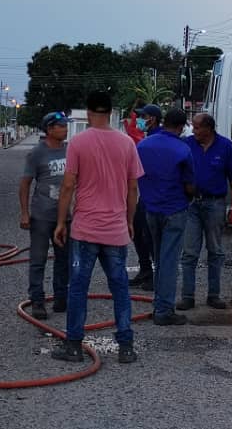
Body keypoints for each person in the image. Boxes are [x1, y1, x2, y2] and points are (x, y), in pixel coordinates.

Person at [52, 90, 144, 365]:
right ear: (111, 113)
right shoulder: (127, 143)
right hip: (115, 229)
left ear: (89, 112)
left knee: (78, 288)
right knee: (120, 288)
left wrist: (61, 222)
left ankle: (74, 346)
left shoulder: (78, 143)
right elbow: (133, 188)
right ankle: (126, 347)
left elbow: (68, 185)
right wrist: (129, 220)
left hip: (85, 229)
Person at [178, 112, 232, 311]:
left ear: (209, 128)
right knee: (189, 252)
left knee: (215, 250)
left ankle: (213, 295)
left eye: (197, 127)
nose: (194, 131)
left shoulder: (225, 146)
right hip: (192, 204)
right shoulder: (187, 144)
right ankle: (187, 297)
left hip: (215, 204)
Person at [136, 106, 194, 325]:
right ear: (180, 126)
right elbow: (189, 185)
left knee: (159, 258)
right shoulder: (182, 149)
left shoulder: (143, 145)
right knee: (169, 261)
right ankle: (164, 311)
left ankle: (159, 303)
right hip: (174, 209)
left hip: (151, 209)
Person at [19, 111, 71, 320]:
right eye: (61, 126)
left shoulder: (70, 151)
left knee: (64, 259)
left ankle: (61, 297)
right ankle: (37, 301)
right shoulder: (37, 153)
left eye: (66, 125)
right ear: (49, 129)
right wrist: (25, 213)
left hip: (65, 217)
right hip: (42, 215)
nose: (65, 129)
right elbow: (25, 184)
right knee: (38, 260)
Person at [126, 103, 161, 292]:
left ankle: (157, 276)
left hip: (155, 196)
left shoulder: (157, 139)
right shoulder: (145, 138)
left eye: (143, 117)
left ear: (152, 119)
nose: (139, 120)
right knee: (137, 231)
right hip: (144, 195)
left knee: (150, 236)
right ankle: (145, 270)